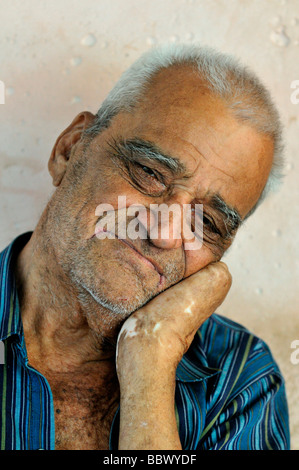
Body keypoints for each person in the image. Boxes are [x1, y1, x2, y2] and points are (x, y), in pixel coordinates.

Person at [0, 44, 290, 450]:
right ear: (69, 149)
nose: (166, 234)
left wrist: (149, 368)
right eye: (150, 174)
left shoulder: (240, 379)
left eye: (207, 223)